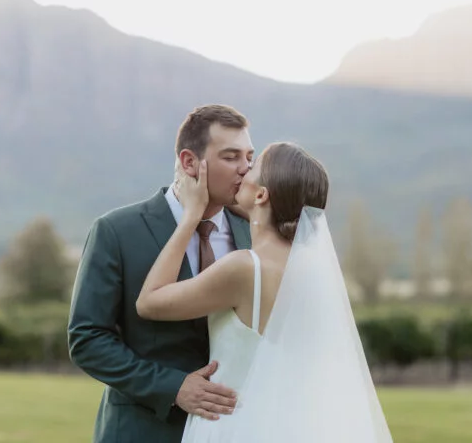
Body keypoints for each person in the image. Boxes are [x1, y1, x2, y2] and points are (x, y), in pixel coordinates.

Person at [137, 142, 394, 442]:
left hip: (234, 426)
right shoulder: (312, 271)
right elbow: (266, 213)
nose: (243, 169)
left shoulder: (244, 269)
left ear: (261, 194)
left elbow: (150, 302)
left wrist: (192, 215)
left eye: (253, 166)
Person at [68, 104, 256, 443]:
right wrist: (174, 387)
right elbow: (88, 339)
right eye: (231, 157)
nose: (246, 169)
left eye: (249, 157)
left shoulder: (254, 233)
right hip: (142, 431)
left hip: (234, 429)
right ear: (188, 162)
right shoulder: (116, 231)